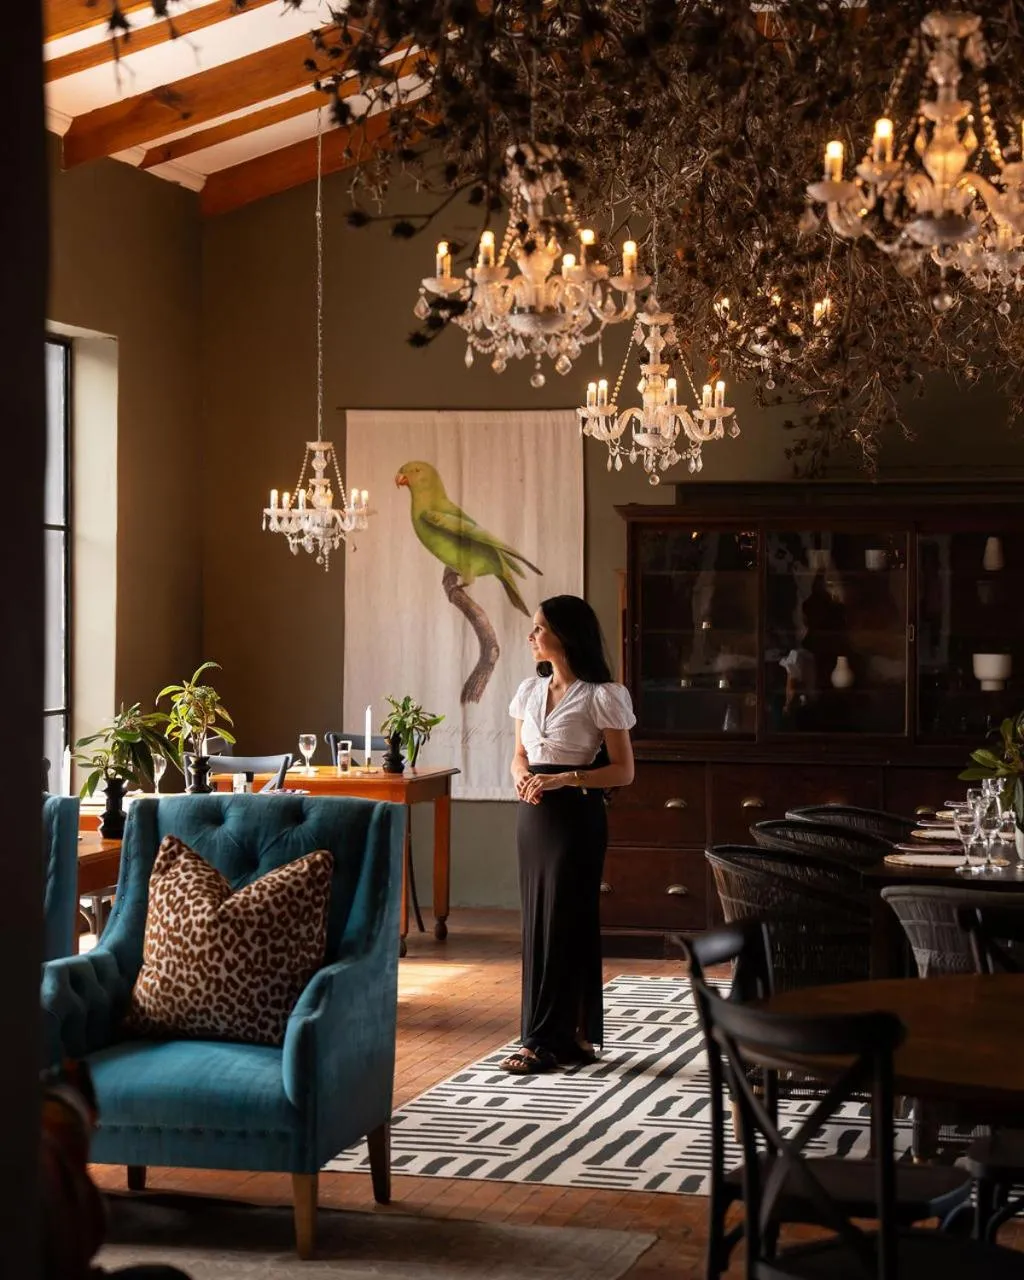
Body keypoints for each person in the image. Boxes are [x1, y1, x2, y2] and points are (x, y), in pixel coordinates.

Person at [503, 595, 635, 1074]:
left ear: (565, 634)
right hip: (533, 816)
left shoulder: (603, 695)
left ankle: (543, 1041)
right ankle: (570, 1035)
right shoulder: (528, 691)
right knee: (539, 922)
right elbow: (519, 755)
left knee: (565, 920)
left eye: (540, 627)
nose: (532, 636)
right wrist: (521, 774)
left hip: (576, 818)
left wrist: (564, 779)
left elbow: (623, 771)